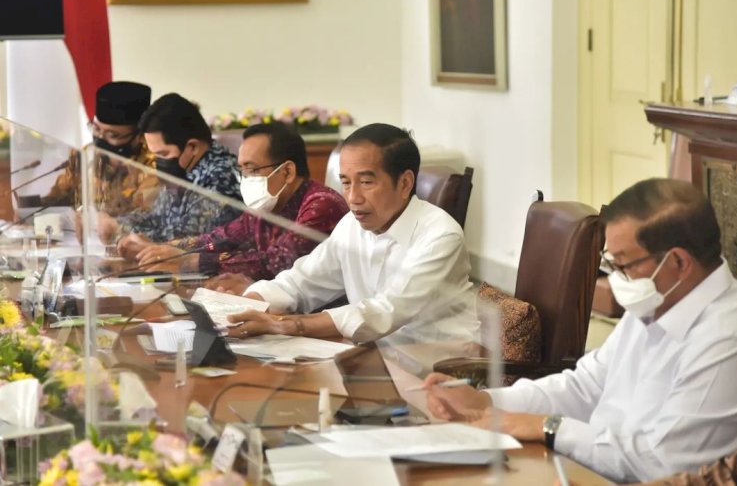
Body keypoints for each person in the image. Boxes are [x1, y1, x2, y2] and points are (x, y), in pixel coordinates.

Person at [423, 178, 737, 483]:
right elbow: (584, 386)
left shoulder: (731, 337)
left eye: (623, 265)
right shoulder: (661, 298)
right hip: (583, 469)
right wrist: (484, 403)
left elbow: (662, 464)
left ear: (679, 262)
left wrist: (549, 428)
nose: (614, 279)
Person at [226, 123, 478, 356]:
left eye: (366, 182)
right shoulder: (352, 225)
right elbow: (301, 281)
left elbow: (382, 312)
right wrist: (239, 308)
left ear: (405, 183)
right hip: (368, 360)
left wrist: (283, 325)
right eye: (346, 183)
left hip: (436, 368)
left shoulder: (441, 235)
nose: (353, 197)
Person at [132, 122, 349, 293]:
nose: (246, 179)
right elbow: (220, 237)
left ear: (288, 172)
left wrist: (189, 260)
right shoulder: (268, 205)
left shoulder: (321, 205)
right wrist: (165, 251)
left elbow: (278, 261)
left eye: (252, 170)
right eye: (242, 170)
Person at [108, 93, 242, 251]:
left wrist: (128, 233)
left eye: (163, 154)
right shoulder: (183, 171)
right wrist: (117, 224)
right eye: (155, 154)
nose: (157, 161)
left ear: (193, 147)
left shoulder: (222, 176)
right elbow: (156, 218)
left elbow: (189, 238)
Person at [45, 81, 160, 214]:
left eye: (112, 135)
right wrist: (35, 207)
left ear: (140, 136)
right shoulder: (84, 155)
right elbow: (60, 194)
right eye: (96, 129)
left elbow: (140, 218)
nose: (100, 138)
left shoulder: (153, 167)